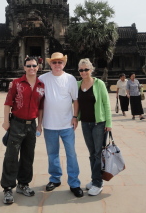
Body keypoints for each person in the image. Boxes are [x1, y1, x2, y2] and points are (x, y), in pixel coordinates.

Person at [37, 52, 83, 198]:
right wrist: (39, 124)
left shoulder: (70, 79)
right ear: (49, 64)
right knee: (52, 154)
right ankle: (55, 178)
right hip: (49, 124)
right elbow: (38, 102)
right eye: (54, 62)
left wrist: (75, 117)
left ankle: (74, 182)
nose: (57, 65)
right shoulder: (42, 79)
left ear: (64, 63)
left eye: (60, 62)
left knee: (71, 154)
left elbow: (76, 100)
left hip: (67, 124)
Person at [0, 57, 45, 205]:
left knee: (28, 156)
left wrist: (39, 125)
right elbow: (8, 104)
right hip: (16, 123)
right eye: (29, 66)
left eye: (34, 66)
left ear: (38, 67)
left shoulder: (41, 85)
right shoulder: (17, 84)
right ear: (24, 67)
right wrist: (6, 121)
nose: (31, 68)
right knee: (11, 156)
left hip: (31, 124)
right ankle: (7, 188)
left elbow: (40, 108)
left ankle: (23, 184)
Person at [77, 58, 111, 196]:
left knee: (98, 153)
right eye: (81, 70)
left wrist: (109, 123)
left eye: (86, 69)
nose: (84, 72)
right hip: (85, 123)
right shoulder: (77, 84)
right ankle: (94, 178)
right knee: (92, 154)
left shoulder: (99, 84)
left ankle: (98, 183)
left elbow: (106, 104)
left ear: (91, 69)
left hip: (99, 123)